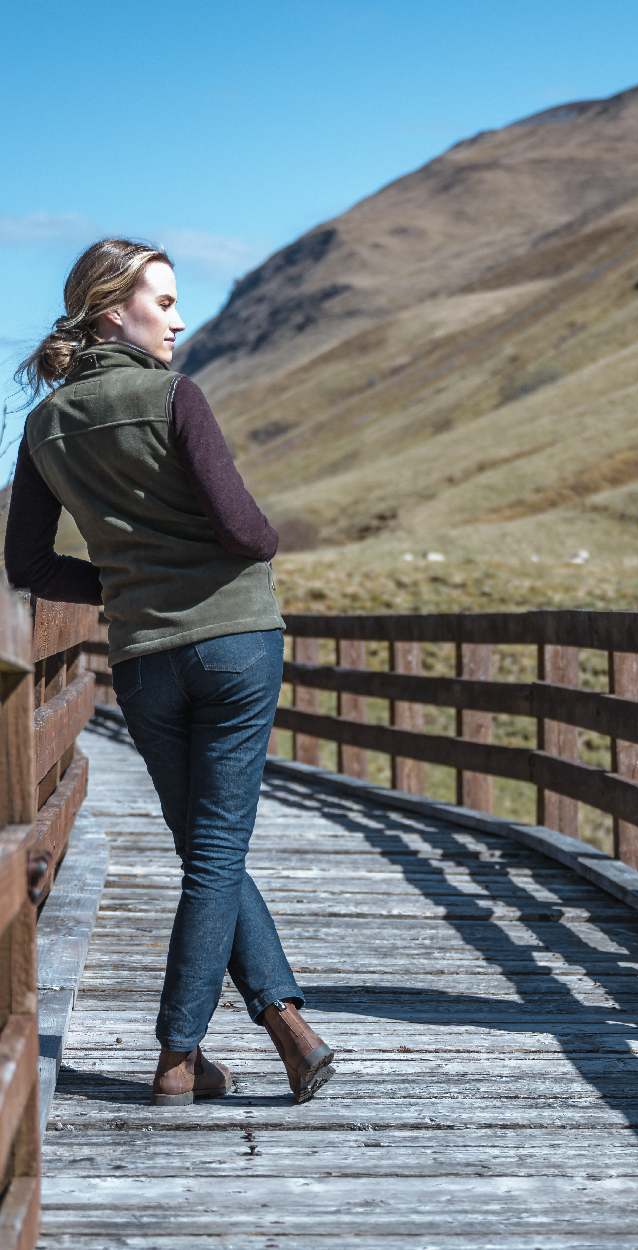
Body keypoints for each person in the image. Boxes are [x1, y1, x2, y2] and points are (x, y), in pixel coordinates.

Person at [4, 238, 335, 1104]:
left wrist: (117, 584)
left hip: (145, 661)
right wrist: (252, 543)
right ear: (115, 311)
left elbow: (29, 565)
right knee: (216, 850)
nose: (179, 319)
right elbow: (247, 532)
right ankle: (178, 1055)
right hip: (234, 645)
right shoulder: (174, 396)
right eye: (165, 302)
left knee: (207, 846)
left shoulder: (44, 426)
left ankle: (285, 1022)